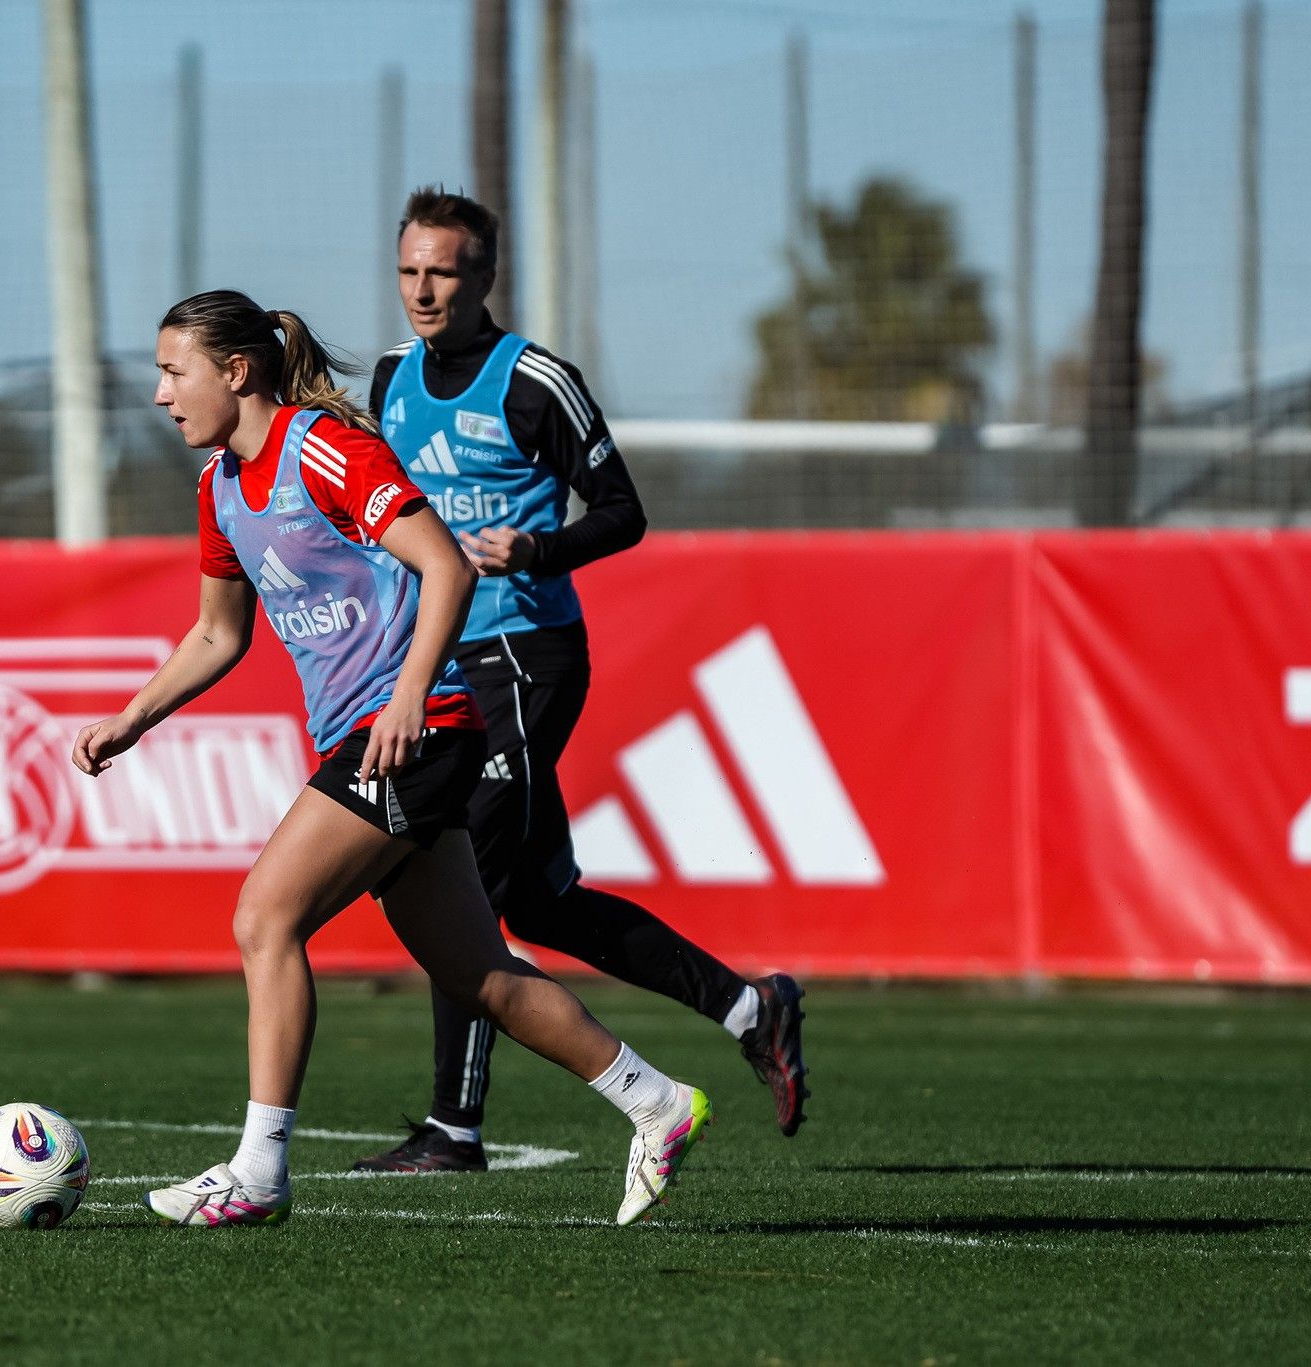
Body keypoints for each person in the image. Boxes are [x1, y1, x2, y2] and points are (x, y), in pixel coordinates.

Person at [72, 290, 711, 1228]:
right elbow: (217, 635)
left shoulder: (323, 447)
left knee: (263, 917)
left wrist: (411, 692)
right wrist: (134, 718)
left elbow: (445, 565)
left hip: (420, 729)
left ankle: (258, 1169)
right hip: (376, 738)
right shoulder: (217, 487)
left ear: (235, 372)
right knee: (478, 973)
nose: (163, 394)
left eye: (174, 372)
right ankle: (656, 1102)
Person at [353, 187, 808, 1175]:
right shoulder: (389, 378)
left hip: (524, 656)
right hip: (440, 663)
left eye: (443, 271)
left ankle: (454, 1127)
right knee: (540, 902)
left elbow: (622, 511)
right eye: (408, 270)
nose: (423, 290)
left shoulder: (535, 381)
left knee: (454, 872)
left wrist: (538, 546)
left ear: (484, 278)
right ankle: (749, 1006)